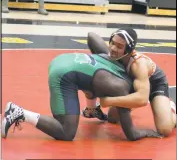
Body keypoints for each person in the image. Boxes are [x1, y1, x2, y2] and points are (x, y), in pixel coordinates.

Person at [2, 52, 161, 141]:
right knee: (66, 132)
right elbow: (131, 134)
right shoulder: (121, 89)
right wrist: (147, 132)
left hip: (62, 59)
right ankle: (19, 112)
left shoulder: (118, 63)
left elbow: (92, 37)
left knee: (92, 81)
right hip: (63, 75)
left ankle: (91, 109)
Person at [83, 28, 176, 137]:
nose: (113, 48)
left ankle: (171, 108)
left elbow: (142, 99)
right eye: (112, 43)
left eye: (119, 46)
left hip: (155, 84)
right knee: (112, 118)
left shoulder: (138, 65)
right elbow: (91, 36)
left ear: (129, 50)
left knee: (165, 129)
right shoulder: (112, 54)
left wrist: (108, 101)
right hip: (132, 84)